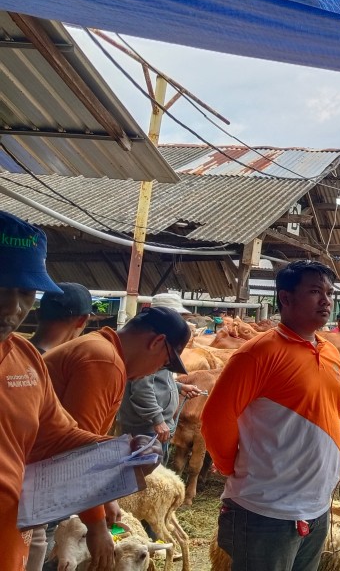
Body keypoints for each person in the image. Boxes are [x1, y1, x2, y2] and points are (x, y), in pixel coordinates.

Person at [0, 211, 157, 570]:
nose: (13, 308)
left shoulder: (24, 359)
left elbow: (57, 435)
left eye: (25, 292)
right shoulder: (101, 361)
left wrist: (121, 451)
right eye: (0, 286)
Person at [202, 260, 340, 571]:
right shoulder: (257, 354)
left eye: (329, 293)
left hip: (317, 507)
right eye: (315, 291)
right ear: (286, 298)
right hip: (264, 511)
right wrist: (231, 466)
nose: (327, 300)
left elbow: (339, 408)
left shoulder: (330, 352)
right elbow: (215, 418)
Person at [37, 305, 191, 568]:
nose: (154, 372)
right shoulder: (103, 361)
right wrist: (96, 526)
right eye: (163, 364)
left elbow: (88, 441)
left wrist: (107, 499)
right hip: (31, 483)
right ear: (156, 342)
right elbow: (80, 452)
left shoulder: (106, 355)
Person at [24, 282, 93, 570]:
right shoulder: (54, 365)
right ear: (82, 321)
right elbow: (63, 430)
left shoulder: (20, 353)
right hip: (38, 484)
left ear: (37, 312)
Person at [117, 293, 203, 466]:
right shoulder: (149, 351)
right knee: (146, 474)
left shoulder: (158, 347)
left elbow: (153, 380)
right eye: (177, 317)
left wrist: (177, 386)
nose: (179, 323)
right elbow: (141, 387)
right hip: (145, 427)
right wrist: (157, 420)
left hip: (153, 425)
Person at [28, 281, 93, 354]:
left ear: (37, 314)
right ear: (81, 320)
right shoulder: (57, 364)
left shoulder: (15, 351)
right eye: (87, 322)